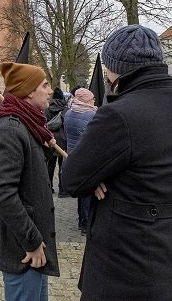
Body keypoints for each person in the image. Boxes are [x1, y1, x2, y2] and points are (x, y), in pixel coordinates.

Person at [61, 25, 172, 300]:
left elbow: (72, 178)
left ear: (116, 69)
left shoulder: (118, 114)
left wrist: (97, 177)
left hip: (126, 271)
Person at [0, 62, 58, 301]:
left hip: (29, 243)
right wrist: (32, 241)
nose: (50, 90)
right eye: (44, 85)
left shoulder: (27, 123)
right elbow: (1, 192)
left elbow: (29, 171)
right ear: (29, 91)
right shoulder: (12, 128)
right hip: (22, 248)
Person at [62, 87, 97, 234]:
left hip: (72, 155)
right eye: (91, 99)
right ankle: (86, 223)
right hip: (87, 158)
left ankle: (81, 220)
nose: (94, 101)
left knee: (81, 191)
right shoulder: (92, 114)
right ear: (86, 100)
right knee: (88, 191)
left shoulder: (69, 113)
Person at [45, 88, 66, 196]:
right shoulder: (65, 107)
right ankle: (62, 190)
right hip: (62, 138)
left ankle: (49, 188)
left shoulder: (47, 107)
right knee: (62, 165)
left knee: (50, 164)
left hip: (50, 138)